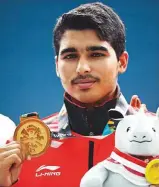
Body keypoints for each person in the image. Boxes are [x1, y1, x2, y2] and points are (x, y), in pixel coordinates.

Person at [0, 2, 157, 187]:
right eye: (70, 56)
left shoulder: (155, 136)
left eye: (96, 54)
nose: (82, 68)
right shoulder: (20, 148)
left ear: (121, 62)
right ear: (57, 65)